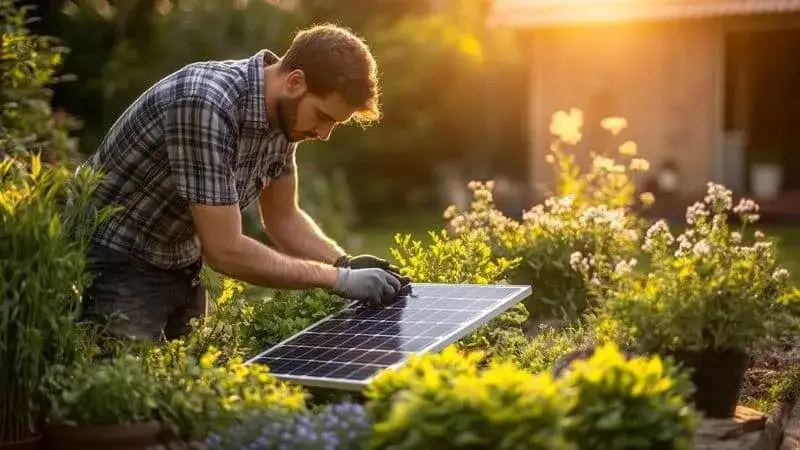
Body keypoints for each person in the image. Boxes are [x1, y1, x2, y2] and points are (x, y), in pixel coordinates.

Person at [78, 24, 409, 341]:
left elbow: (283, 217)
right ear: (295, 82)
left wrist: (343, 262)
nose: (323, 134)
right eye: (323, 116)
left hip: (178, 258)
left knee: (186, 383)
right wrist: (339, 280)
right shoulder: (206, 103)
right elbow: (225, 250)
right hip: (116, 258)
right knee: (126, 388)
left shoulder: (285, 117)